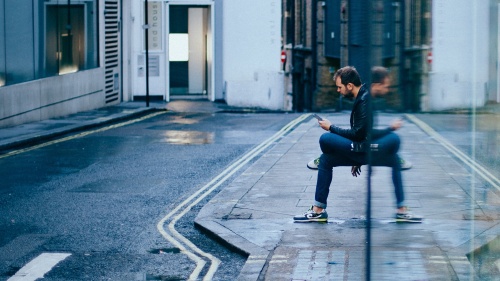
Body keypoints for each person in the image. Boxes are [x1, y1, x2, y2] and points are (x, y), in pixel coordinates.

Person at [293, 66, 421, 223]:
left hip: (362, 150)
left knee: (326, 139)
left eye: (339, 87)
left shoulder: (365, 99)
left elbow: (357, 134)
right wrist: (354, 157)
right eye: (385, 85)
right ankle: (318, 211)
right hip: (361, 150)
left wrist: (331, 127)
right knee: (327, 160)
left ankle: (402, 211)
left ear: (349, 86)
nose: (338, 91)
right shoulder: (364, 96)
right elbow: (365, 133)